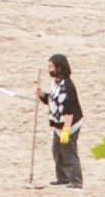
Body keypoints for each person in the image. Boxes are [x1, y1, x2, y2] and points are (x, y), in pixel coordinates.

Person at [36, 54, 84, 188]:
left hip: (69, 124)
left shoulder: (67, 85)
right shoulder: (54, 83)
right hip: (58, 125)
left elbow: (69, 108)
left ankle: (76, 180)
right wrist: (41, 94)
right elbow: (52, 101)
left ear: (59, 68)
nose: (49, 69)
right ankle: (62, 177)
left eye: (51, 66)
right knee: (57, 151)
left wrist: (66, 130)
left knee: (69, 152)